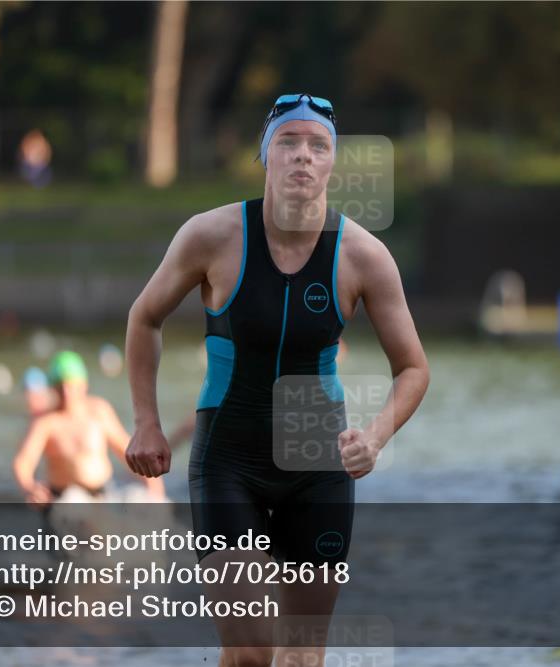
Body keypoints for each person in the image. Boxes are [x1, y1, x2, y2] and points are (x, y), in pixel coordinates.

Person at [124, 93, 429, 667]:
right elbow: (145, 317)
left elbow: (413, 367)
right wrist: (147, 423)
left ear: (332, 163)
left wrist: (377, 436)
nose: (303, 157)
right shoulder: (211, 236)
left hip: (319, 466)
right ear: (266, 156)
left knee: (301, 656)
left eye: (318, 146)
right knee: (253, 651)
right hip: (227, 460)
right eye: (288, 142)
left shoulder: (364, 256)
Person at [13, 351, 165, 508]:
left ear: (83, 384)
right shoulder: (46, 422)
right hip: (64, 500)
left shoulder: (99, 411)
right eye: (60, 386)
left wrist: (153, 483)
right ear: (53, 388)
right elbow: (23, 463)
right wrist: (29, 487)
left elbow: (127, 450)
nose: (66, 392)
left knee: (143, 502)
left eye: (71, 385)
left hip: (103, 494)